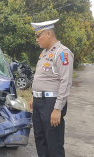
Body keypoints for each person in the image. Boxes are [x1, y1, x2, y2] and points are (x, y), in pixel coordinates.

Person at [28, 19, 74, 157]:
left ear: (49, 34)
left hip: (51, 104)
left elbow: (65, 82)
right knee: (40, 140)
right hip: (38, 102)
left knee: (54, 144)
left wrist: (58, 108)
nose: (37, 39)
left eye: (38, 35)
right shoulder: (44, 53)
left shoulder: (62, 53)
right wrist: (33, 96)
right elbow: (41, 77)